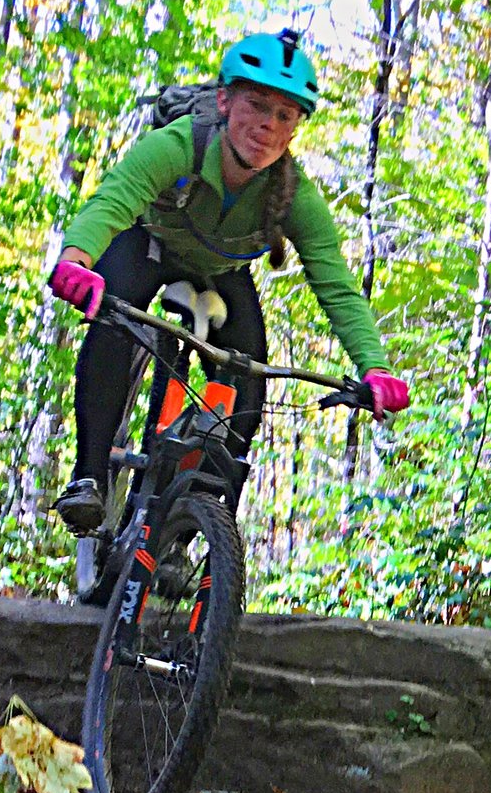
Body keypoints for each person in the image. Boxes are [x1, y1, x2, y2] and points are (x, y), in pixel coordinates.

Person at [44, 28, 409, 535]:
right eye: (256, 105)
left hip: (220, 272)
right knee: (113, 316)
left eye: (284, 115)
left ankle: (192, 525)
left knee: (246, 380)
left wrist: (376, 367)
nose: (267, 124)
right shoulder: (176, 147)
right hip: (148, 245)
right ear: (223, 101)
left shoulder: (295, 196)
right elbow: (114, 199)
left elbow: (336, 285)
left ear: (295, 128)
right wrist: (76, 261)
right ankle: (89, 479)